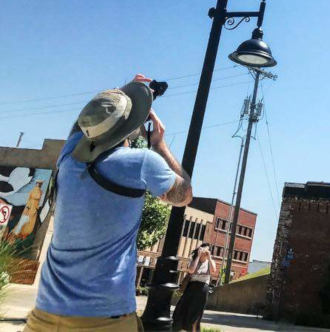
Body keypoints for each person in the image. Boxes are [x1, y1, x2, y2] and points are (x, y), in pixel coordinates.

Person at [25, 75, 193, 331]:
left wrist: (118, 93)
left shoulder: (68, 158)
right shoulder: (141, 163)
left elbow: (82, 126)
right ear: (132, 126)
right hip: (104, 319)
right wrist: (159, 144)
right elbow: (184, 195)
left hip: (45, 315)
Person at [172, 242, 218, 331]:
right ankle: (178, 328)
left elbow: (213, 271)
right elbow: (191, 270)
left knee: (196, 313)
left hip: (203, 288)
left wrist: (209, 257)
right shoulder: (193, 260)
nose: (205, 251)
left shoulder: (210, 262)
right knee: (182, 309)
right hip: (191, 287)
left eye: (207, 249)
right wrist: (198, 256)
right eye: (203, 249)